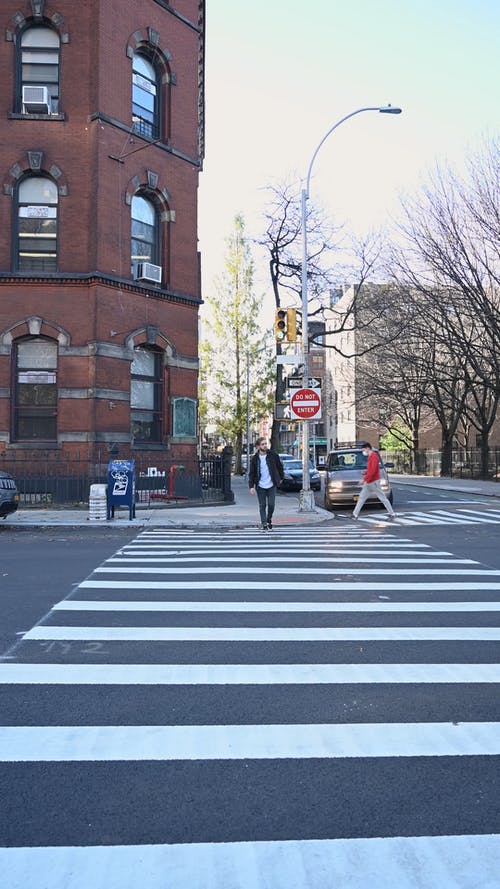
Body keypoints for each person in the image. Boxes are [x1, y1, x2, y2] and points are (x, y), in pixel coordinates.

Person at [352, 442, 396, 520]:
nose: (363, 452)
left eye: (364, 450)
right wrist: (365, 473)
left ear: (368, 448)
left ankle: (392, 513)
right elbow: (371, 470)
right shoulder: (371, 457)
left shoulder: (374, 457)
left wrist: (364, 479)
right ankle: (355, 514)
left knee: (382, 498)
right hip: (370, 482)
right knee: (362, 497)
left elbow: (372, 471)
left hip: (373, 481)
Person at [249, 437, 284, 530]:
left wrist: (281, 478)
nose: (265, 446)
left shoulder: (273, 455)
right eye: (263, 444)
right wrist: (251, 486)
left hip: (271, 484)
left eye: (265, 444)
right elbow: (251, 473)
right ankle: (264, 523)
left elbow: (280, 467)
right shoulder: (255, 458)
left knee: (271, 504)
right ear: (258, 446)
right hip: (260, 485)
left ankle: (269, 519)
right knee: (262, 505)